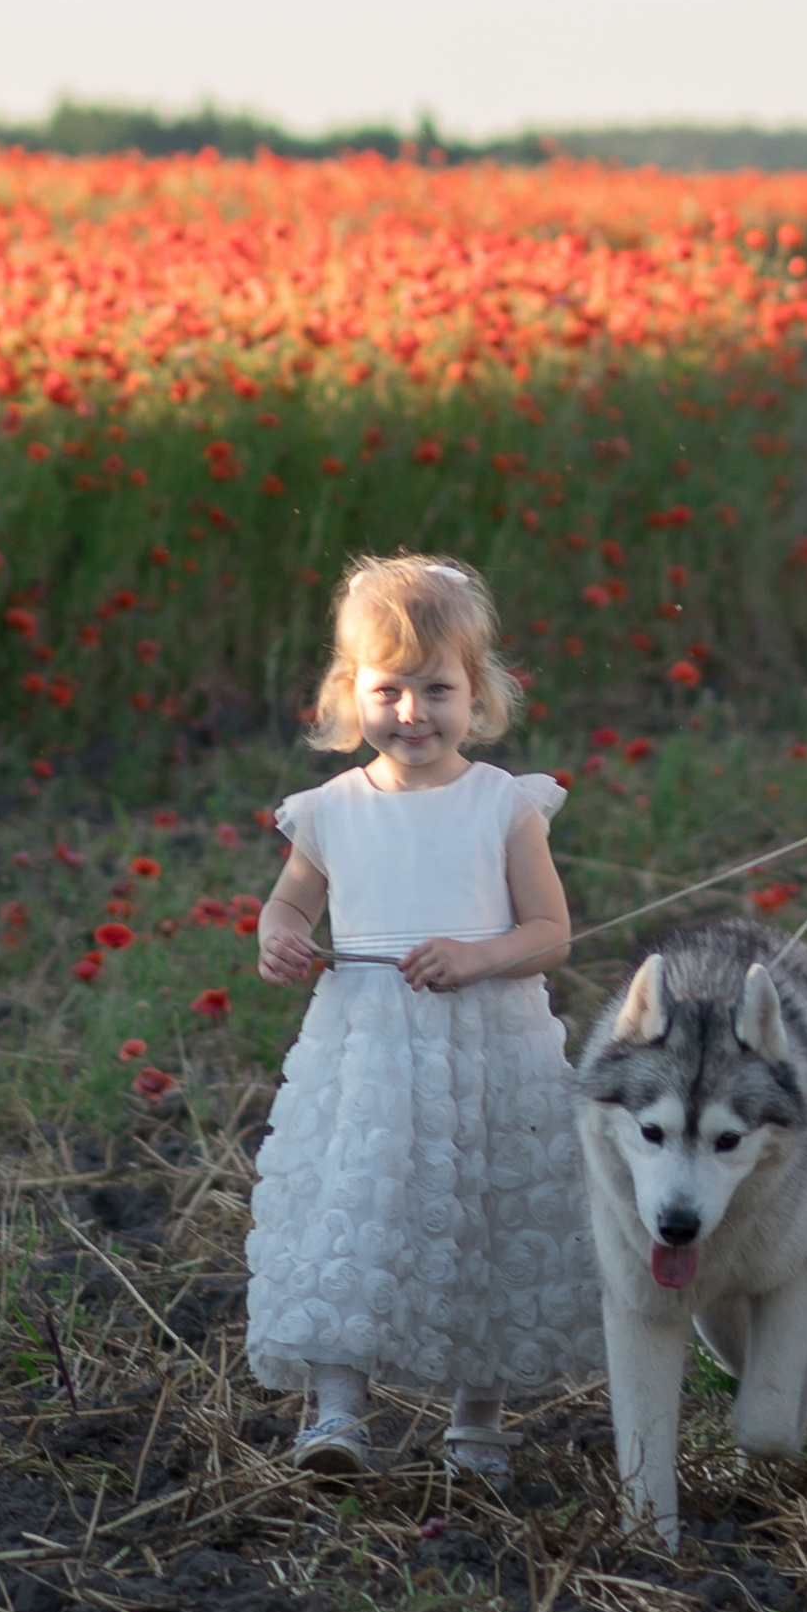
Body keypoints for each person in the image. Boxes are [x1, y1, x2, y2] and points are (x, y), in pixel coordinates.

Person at [248, 553, 603, 1481]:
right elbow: (291, 905)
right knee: (352, 1209)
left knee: (486, 1211)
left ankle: (475, 1421)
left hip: (486, 1048)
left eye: (436, 690)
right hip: (368, 1053)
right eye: (389, 689)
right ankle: (335, 1415)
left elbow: (552, 934)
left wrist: (478, 956)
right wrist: (278, 936)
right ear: (349, 693)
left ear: (476, 694)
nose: (413, 712)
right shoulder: (329, 813)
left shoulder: (502, 806)